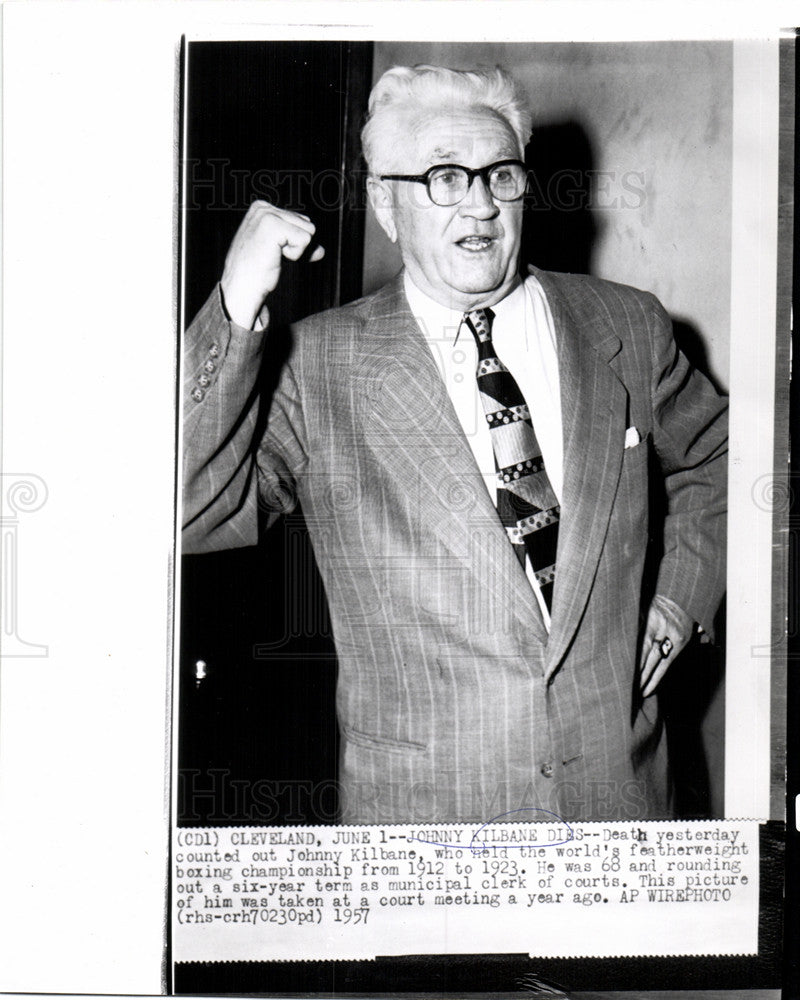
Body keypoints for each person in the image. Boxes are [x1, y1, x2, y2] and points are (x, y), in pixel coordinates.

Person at [183, 64, 727, 824]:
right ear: (384, 202)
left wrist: (680, 598)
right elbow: (184, 511)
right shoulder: (317, 368)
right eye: (443, 175)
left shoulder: (628, 327)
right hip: (429, 835)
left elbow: (722, 458)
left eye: (499, 174)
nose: (478, 205)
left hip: (620, 808)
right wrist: (237, 302)